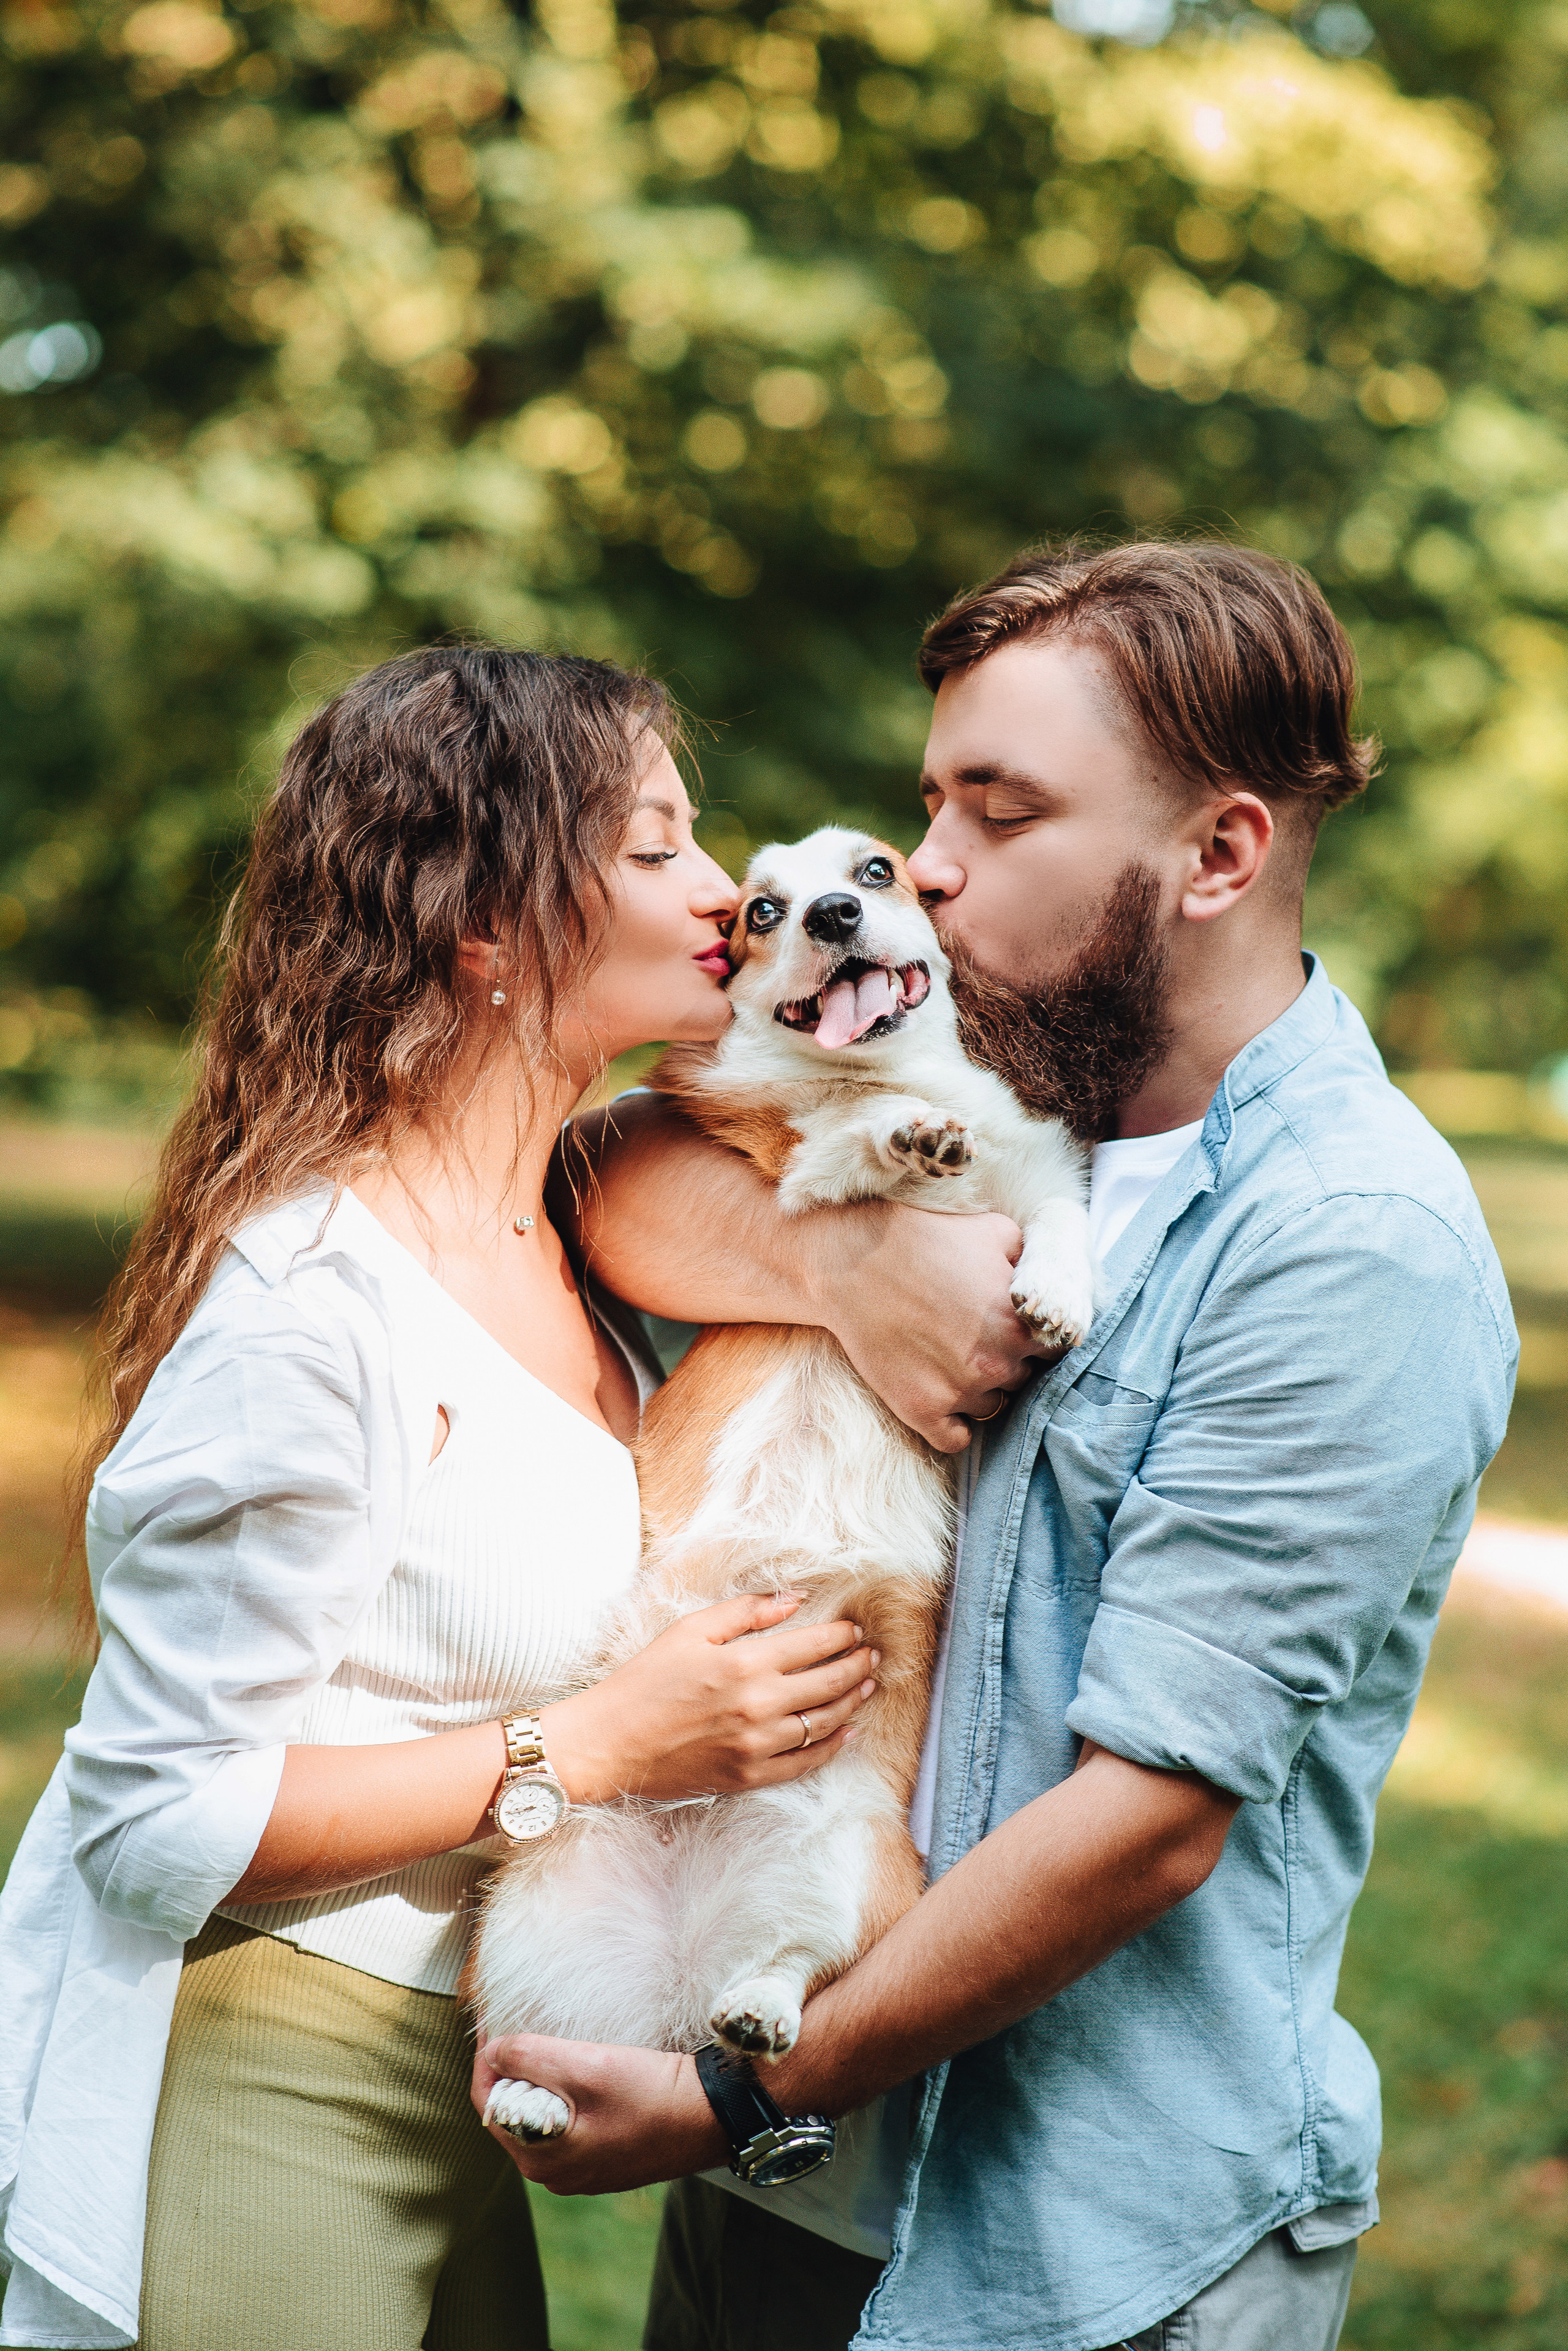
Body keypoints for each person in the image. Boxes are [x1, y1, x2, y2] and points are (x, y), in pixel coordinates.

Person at [473, 544, 1518, 2351]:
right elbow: (602, 1171)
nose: (930, 866)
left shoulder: (1353, 1243)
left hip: (1082, 2235)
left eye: (1003, 810)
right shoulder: (986, 1082)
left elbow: (1148, 1820)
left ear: (1219, 855)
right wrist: (830, 1262)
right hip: (791, 2175)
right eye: (931, 799)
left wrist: (746, 2093)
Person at [0, 646, 881, 2351]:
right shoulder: (310, 1314)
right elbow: (147, 1822)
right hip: (275, 2059)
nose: (725, 894)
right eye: (655, 850)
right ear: (486, 932)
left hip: (483, 2053)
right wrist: (604, 1748)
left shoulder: (570, 1227)